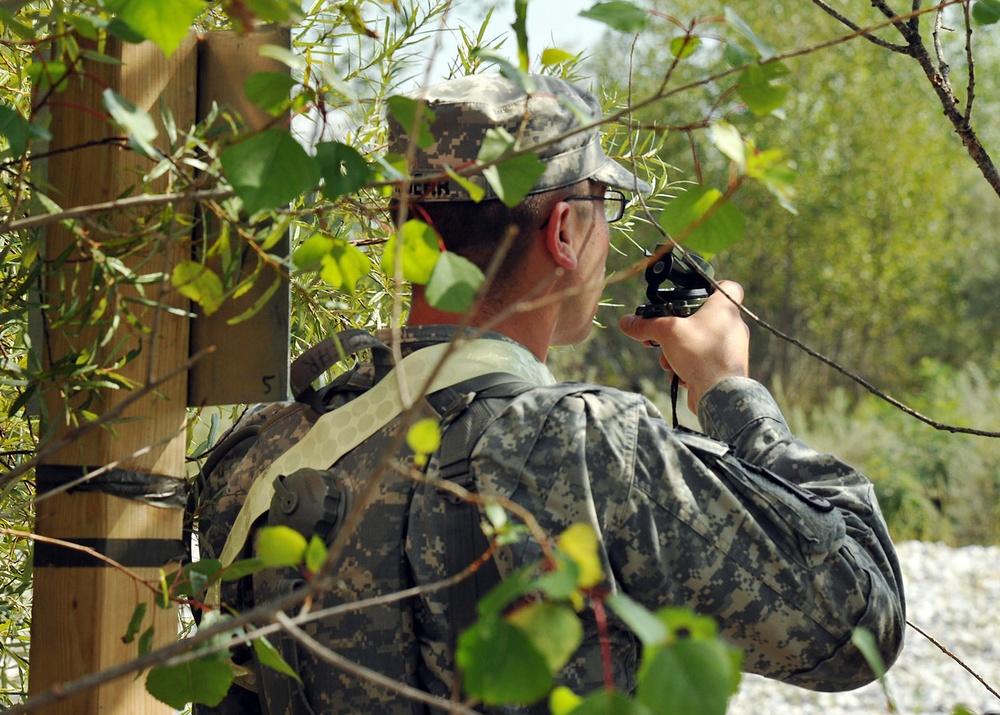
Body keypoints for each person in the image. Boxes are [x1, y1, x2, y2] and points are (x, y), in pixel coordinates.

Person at [205, 72, 905, 714]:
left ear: (410, 228)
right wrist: (730, 389)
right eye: (602, 206)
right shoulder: (589, 447)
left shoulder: (257, 455)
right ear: (565, 230)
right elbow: (859, 621)